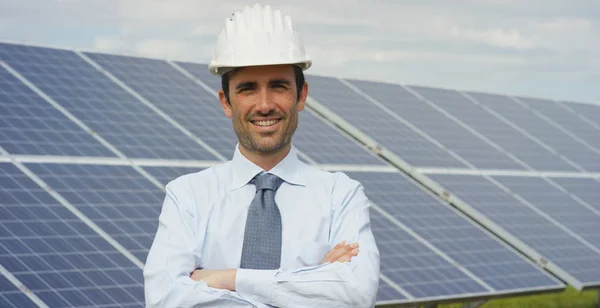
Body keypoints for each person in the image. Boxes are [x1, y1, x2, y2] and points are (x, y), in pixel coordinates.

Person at [143, 3, 380, 307]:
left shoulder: (341, 196)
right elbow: (166, 300)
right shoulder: (188, 196)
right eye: (248, 89)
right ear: (226, 102)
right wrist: (313, 282)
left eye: (279, 86)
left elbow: (355, 296)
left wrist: (226, 278)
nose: (265, 104)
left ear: (302, 96)